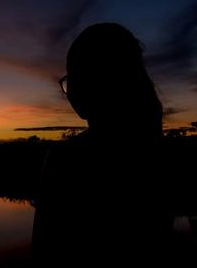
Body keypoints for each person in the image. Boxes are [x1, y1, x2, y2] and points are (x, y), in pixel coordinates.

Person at [32, 23, 170, 266]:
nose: (69, 90)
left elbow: (45, 255)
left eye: (73, 77)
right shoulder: (161, 154)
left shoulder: (67, 161)